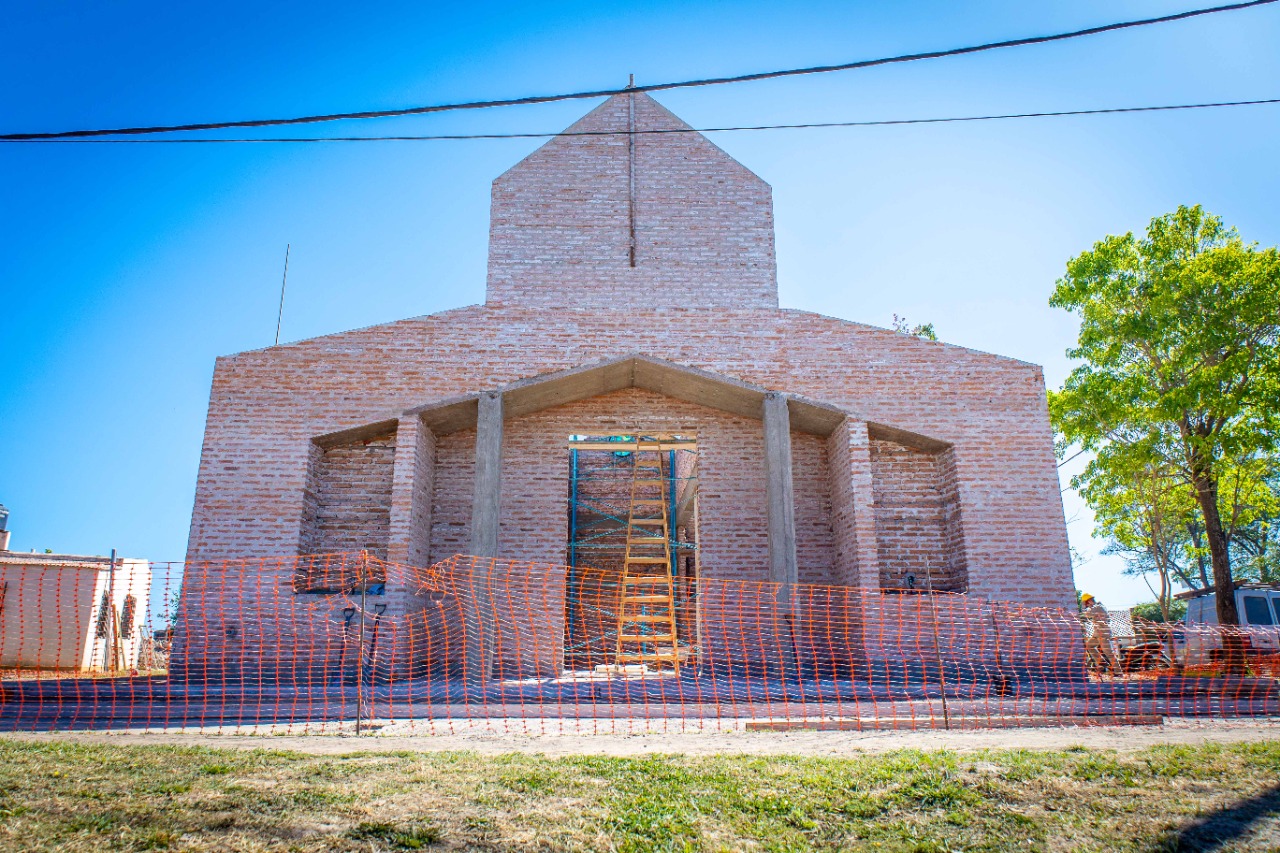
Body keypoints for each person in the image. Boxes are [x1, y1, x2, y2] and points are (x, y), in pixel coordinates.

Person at [1080, 593, 1120, 675]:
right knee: (1089, 645)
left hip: (1103, 633)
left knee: (1109, 653)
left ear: (1090, 601)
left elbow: (1087, 615)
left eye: (1086, 603)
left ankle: (1118, 672)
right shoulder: (1098, 607)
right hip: (1098, 633)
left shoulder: (1097, 607)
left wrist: (1083, 607)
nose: (1087, 606)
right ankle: (1101, 662)